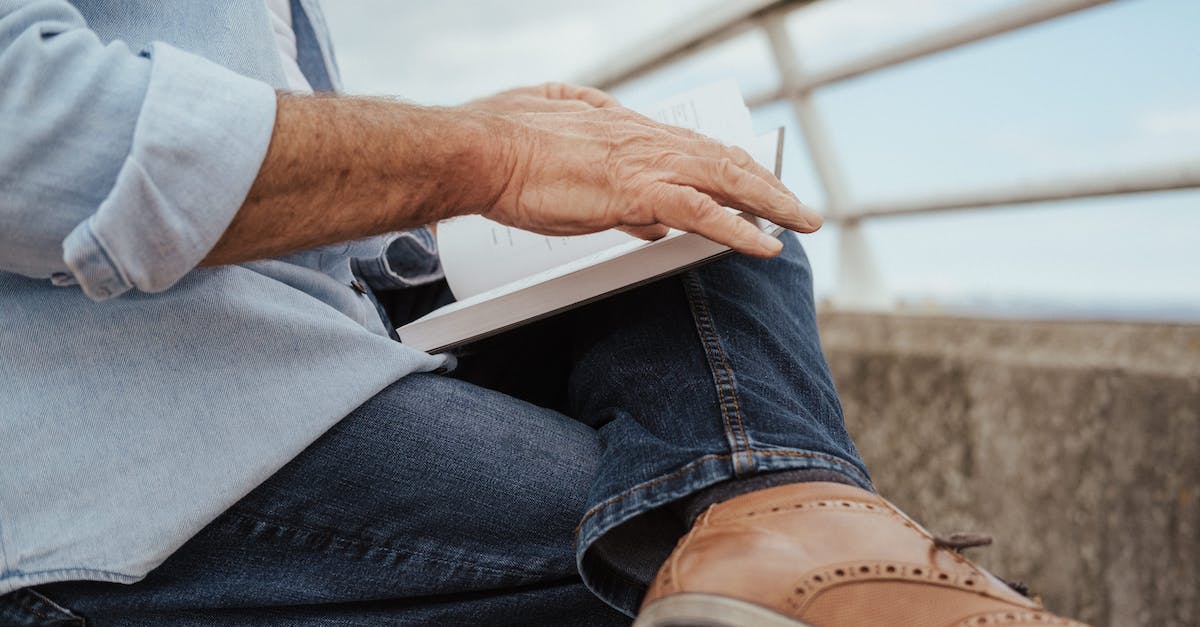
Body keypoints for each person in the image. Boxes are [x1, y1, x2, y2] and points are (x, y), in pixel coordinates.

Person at [0, 1, 1086, 625]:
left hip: (294, 340)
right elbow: (35, 133)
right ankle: (790, 550)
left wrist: (458, 157)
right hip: (131, 460)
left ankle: (788, 513)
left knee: (688, 192)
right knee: (655, 542)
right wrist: (489, 157)